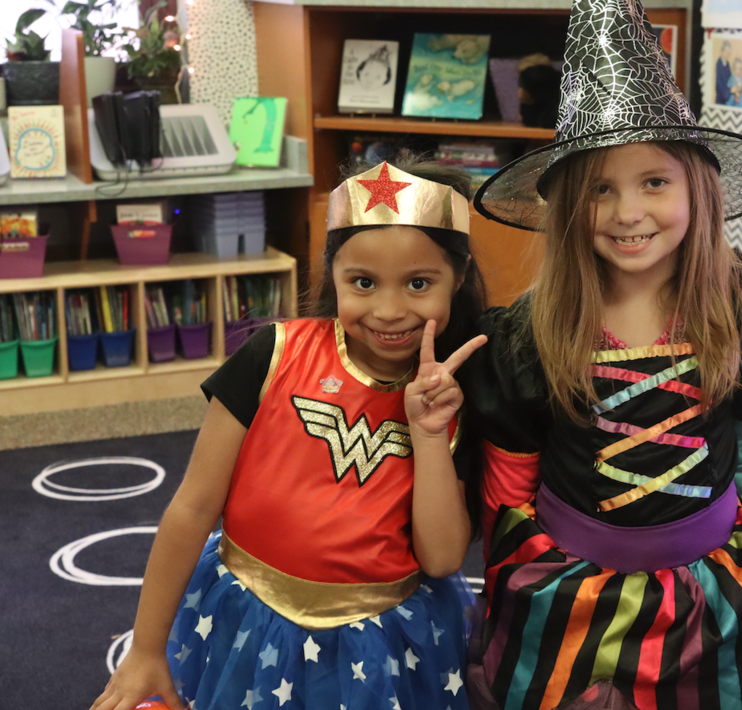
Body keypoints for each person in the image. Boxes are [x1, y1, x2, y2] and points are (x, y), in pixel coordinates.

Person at [464, 0, 742, 708]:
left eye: (654, 182)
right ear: (568, 205)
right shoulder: (528, 332)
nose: (627, 211)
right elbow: (511, 486)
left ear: (697, 187)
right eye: (599, 189)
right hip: (577, 601)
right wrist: (507, 585)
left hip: (716, 590)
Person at [88, 156, 488, 710]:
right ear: (331, 275)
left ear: (458, 278)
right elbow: (193, 506)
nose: (390, 310)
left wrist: (426, 433)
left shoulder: (455, 395)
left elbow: (443, 560)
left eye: (419, 283)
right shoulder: (272, 355)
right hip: (247, 618)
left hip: (377, 644)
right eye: (363, 283)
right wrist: (147, 649)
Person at [715, 41, 733, 106]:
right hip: (720, 99)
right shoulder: (719, 64)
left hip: (727, 97)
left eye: (729, 53)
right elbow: (720, 85)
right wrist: (730, 91)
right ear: (722, 51)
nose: (728, 55)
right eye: (726, 52)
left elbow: (730, 79)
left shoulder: (727, 64)